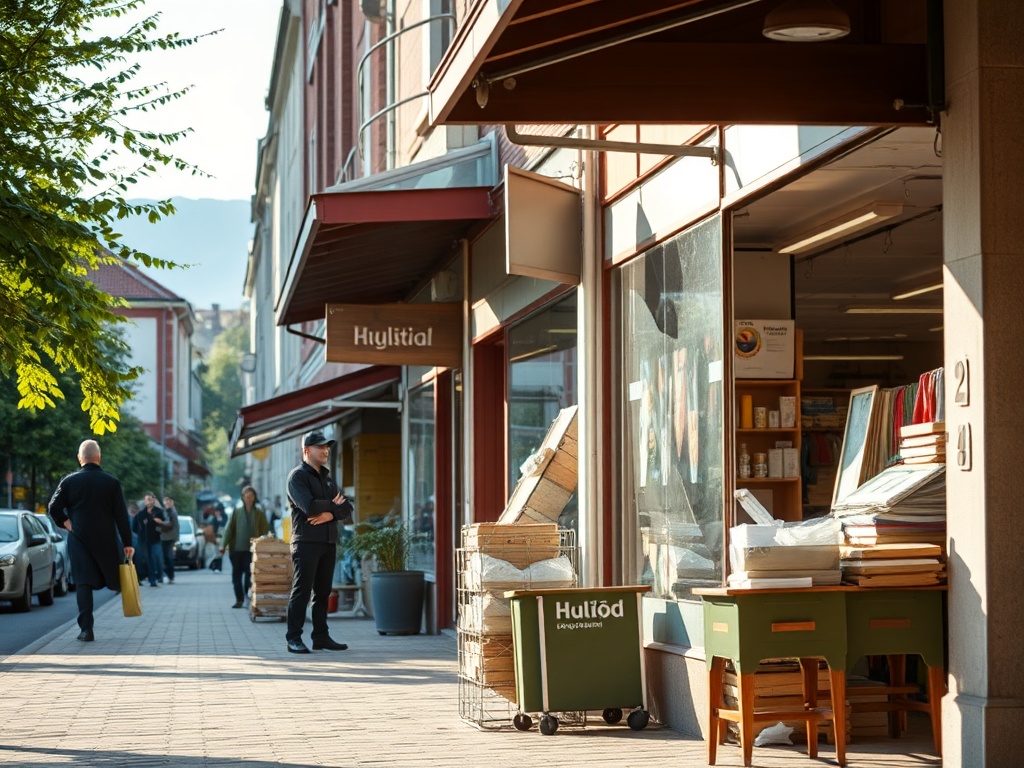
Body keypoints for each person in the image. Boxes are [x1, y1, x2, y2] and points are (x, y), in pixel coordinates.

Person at [47, 440, 134, 642]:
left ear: (80, 458)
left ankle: (86, 630)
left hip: (79, 541)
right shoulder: (111, 483)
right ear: (99, 457)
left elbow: (53, 507)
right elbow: (121, 515)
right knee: (112, 578)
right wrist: (128, 544)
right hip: (106, 541)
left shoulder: (69, 481)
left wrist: (66, 523)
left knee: (83, 583)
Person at [285, 430, 353, 654]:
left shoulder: (328, 479)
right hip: (306, 542)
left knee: (323, 592)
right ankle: (293, 638)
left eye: (327, 447)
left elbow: (348, 508)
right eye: (320, 447)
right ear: (307, 450)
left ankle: (321, 637)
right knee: (302, 591)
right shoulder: (297, 477)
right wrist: (334, 507)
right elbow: (310, 507)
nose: (326, 450)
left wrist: (331, 515)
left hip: (328, 541)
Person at [219, 485, 268, 608]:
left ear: (254, 497)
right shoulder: (236, 512)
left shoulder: (259, 514)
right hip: (236, 549)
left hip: (251, 550)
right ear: (242, 497)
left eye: (251, 496)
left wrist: (265, 546)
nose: (248, 498)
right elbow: (229, 530)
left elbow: (265, 531)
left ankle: (247, 597)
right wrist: (223, 545)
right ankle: (239, 599)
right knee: (236, 575)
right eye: (246, 496)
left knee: (249, 574)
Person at [132, 492, 165, 587]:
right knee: (149, 559)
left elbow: (163, 526)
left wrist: (157, 528)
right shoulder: (141, 514)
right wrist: (140, 532)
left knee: (157, 557)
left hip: (155, 539)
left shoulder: (158, 512)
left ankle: (160, 576)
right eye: (146, 500)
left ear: (153, 500)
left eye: (150, 499)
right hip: (144, 541)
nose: (148, 502)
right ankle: (152, 580)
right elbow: (134, 527)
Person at [159, 496, 180, 584]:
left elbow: (171, 524)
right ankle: (168, 576)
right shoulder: (166, 511)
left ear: (171, 502)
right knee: (165, 557)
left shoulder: (171, 512)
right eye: (165, 501)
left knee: (167, 557)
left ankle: (170, 576)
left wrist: (160, 524)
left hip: (168, 538)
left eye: (168, 501)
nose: (166, 502)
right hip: (165, 537)